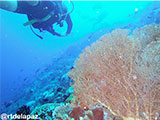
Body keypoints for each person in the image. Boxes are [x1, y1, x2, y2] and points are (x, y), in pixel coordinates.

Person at [0, 0, 73, 39]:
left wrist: (61, 33)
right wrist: (66, 33)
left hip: (36, 11)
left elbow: (70, 24)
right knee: (34, 5)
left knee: (12, 6)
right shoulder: (64, 9)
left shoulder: (62, 10)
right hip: (40, 11)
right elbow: (70, 24)